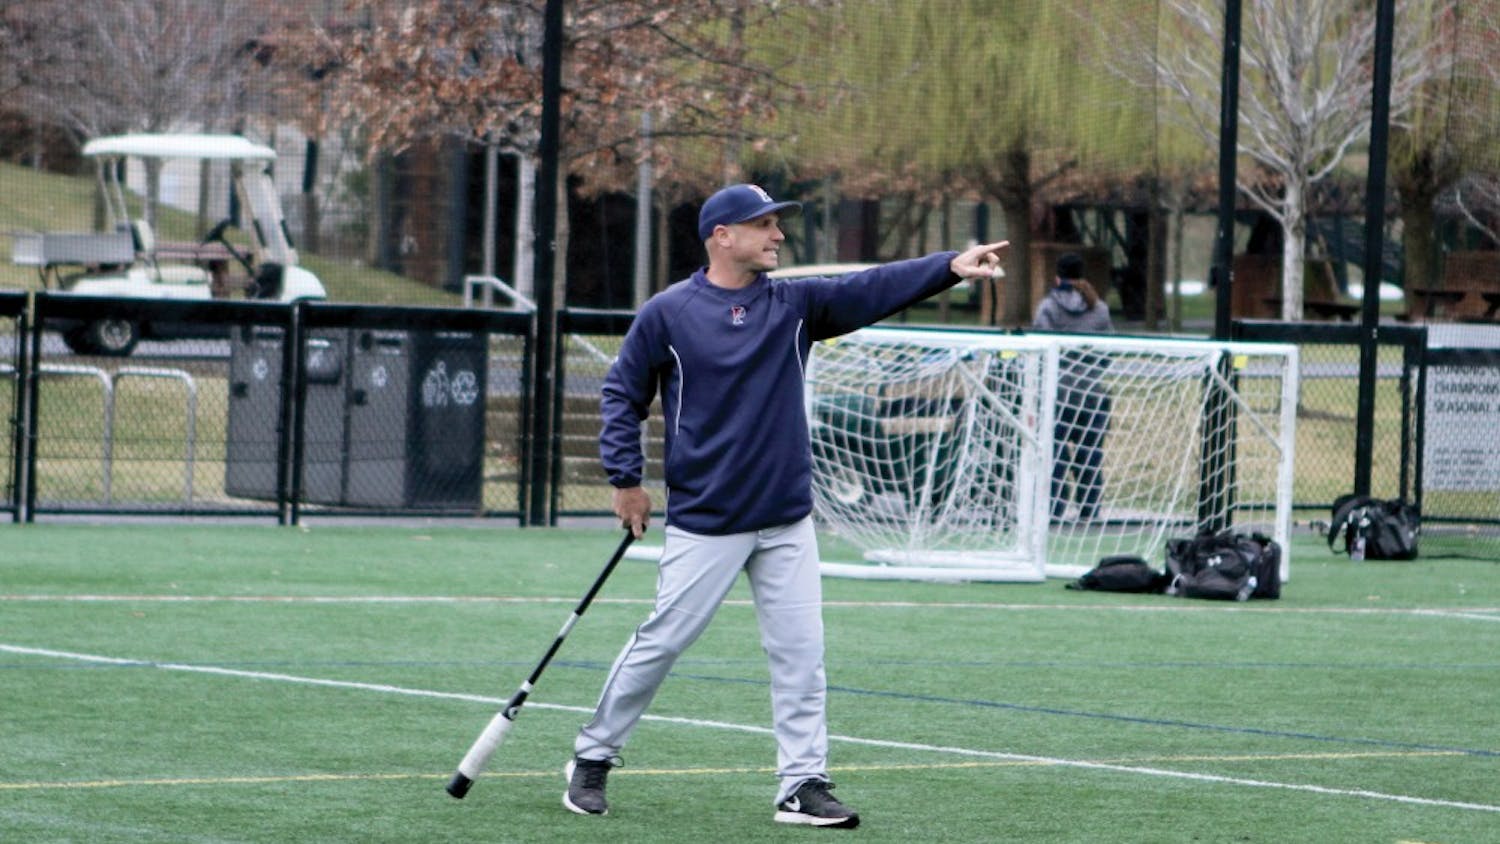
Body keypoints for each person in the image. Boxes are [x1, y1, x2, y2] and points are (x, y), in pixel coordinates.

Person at [565, 183, 1010, 829]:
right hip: (707, 519)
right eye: (763, 225)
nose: (777, 236)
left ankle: (802, 784)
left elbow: (870, 286)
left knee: (801, 654)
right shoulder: (668, 312)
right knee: (663, 642)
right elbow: (621, 395)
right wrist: (625, 479)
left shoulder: (795, 304)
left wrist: (947, 267)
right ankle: (593, 755)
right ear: (723, 235)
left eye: (777, 224)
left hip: (785, 517)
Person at [1032, 252, 1115, 522]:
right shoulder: (1100, 309)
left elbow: (1041, 350)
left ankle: (1054, 510)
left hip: (1057, 393)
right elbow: (1107, 353)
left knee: (1055, 455)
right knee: (1089, 455)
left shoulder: (1048, 308)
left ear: (1057, 276)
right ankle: (1090, 511)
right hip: (1092, 394)